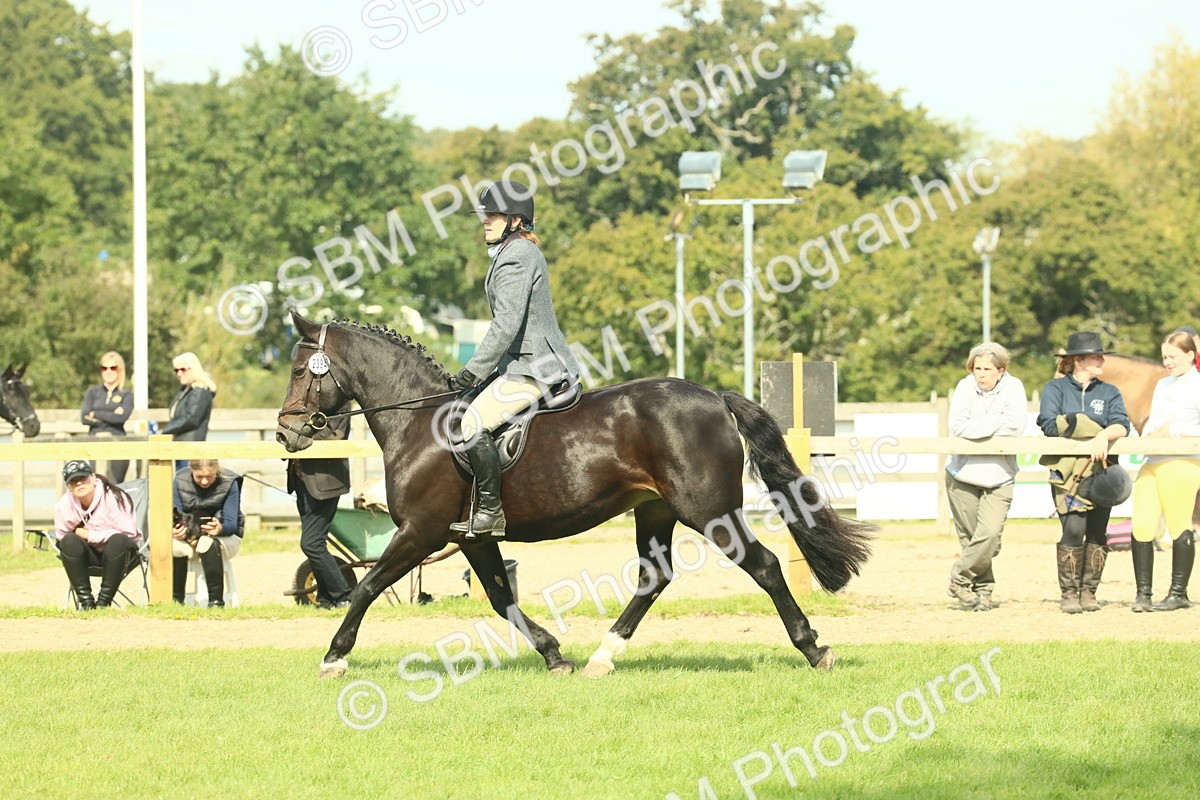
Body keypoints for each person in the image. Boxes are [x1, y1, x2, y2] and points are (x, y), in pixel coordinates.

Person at [445, 180, 581, 541]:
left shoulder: (518, 255)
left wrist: (472, 372)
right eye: (485, 214)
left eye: (493, 214)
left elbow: (506, 325)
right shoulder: (513, 251)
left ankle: (491, 512)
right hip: (520, 364)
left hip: (535, 366)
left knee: (471, 424)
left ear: (516, 219)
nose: (485, 220)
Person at [1038, 331, 1131, 614]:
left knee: (1097, 531)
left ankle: (1089, 591)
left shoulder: (1109, 391)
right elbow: (1049, 424)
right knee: (1074, 529)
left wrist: (1103, 438)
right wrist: (1090, 427)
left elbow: (1121, 425)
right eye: (1095, 355)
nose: (1102, 360)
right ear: (1078, 360)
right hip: (1066, 471)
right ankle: (1069, 593)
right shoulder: (1054, 390)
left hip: (1101, 472)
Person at [945, 343, 1027, 611]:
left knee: (990, 536)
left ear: (1000, 370)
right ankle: (983, 591)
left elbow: (1015, 426)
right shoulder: (964, 386)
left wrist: (978, 427)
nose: (981, 374)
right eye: (977, 368)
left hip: (1000, 475)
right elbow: (957, 427)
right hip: (962, 473)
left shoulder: (1014, 387)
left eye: (987, 369)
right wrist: (996, 421)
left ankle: (958, 578)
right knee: (971, 539)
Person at [1130, 330, 1200, 611]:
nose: (1167, 362)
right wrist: (1146, 436)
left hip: (1183, 461)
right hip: (1154, 461)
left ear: (1190, 356)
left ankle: (1178, 593)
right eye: (1164, 357)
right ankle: (1143, 594)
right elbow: (1153, 421)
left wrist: (1173, 432)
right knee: (1141, 524)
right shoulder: (1162, 385)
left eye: (1172, 356)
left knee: (1178, 524)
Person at [53, 460, 142, 610]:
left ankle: (103, 602)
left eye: (83, 478)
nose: (79, 484)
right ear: (68, 486)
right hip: (87, 557)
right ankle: (86, 602)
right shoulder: (64, 505)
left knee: (118, 540)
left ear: (93, 478)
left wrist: (90, 535)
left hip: (122, 555)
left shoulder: (114, 497)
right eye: (73, 482)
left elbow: (129, 533)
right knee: (69, 541)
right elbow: (62, 536)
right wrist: (81, 537)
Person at [288, 412, 353, 609]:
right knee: (316, 543)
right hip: (301, 482)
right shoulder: (299, 403)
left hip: (325, 483)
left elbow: (335, 436)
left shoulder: (338, 404)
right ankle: (326, 599)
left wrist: (296, 437)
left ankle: (344, 596)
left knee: (311, 544)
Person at [172, 458, 243, 607]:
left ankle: (216, 601)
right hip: (187, 538)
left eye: (210, 476)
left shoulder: (230, 481)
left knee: (207, 543)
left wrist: (220, 529)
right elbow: (174, 514)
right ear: (191, 471)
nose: (204, 482)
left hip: (226, 537)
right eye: (199, 477)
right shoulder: (179, 479)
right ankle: (176, 601)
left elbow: (232, 523)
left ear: (217, 470)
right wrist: (175, 531)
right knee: (174, 547)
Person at [80, 351, 133, 483]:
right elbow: (84, 418)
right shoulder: (92, 392)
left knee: (116, 485)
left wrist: (96, 413)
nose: (108, 371)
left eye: (113, 368)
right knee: (95, 483)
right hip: (94, 441)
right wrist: (112, 414)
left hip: (118, 442)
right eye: (104, 368)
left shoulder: (126, 394)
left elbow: (122, 418)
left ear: (120, 370)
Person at [161, 352, 215, 473]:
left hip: (191, 448)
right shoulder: (185, 391)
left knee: (187, 483)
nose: (179, 373)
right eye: (176, 370)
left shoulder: (200, 391)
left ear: (193, 369)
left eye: (183, 369)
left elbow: (192, 418)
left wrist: (166, 430)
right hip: (181, 446)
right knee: (181, 482)